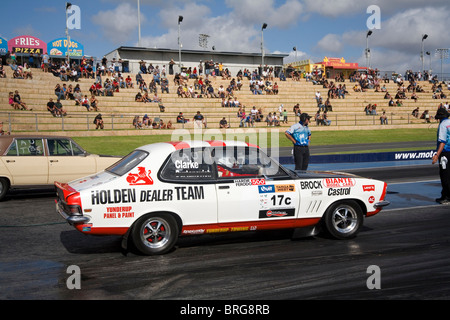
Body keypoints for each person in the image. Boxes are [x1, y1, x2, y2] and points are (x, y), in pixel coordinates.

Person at [432, 108, 450, 204]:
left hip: (445, 152)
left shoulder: (443, 125)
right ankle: (445, 195)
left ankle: (447, 196)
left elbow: (442, 142)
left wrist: (437, 154)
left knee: (445, 175)